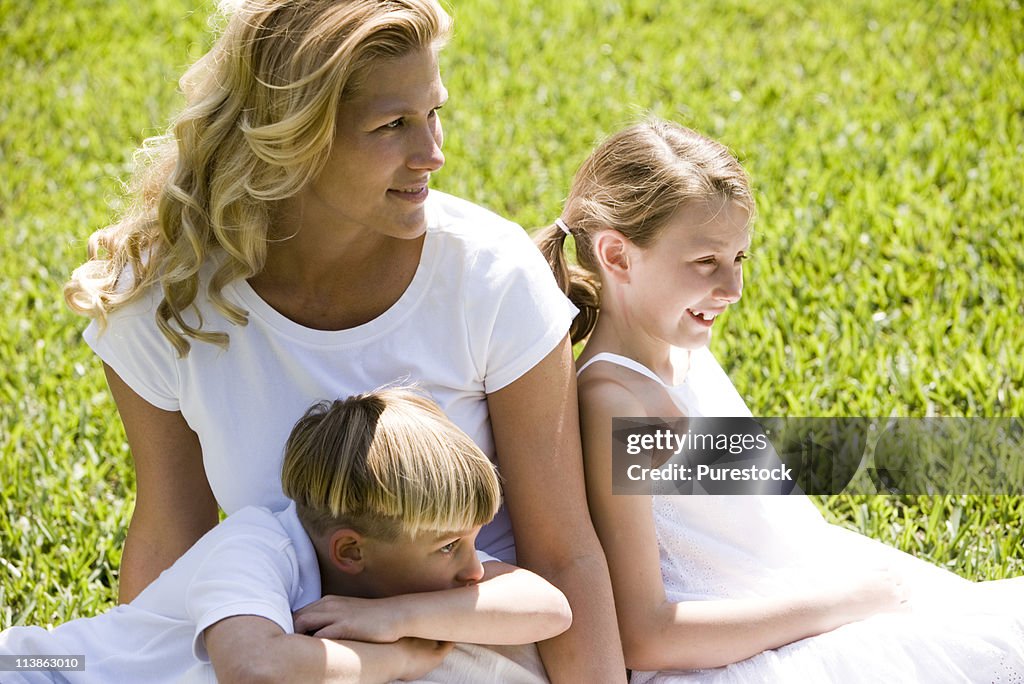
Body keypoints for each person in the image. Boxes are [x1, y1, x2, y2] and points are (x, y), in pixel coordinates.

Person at [63, 0, 622, 680]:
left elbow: (566, 556)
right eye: (393, 125)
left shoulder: (488, 276)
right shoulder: (164, 299)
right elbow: (169, 539)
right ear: (292, 135)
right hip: (294, 652)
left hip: (472, 648)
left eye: (434, 113)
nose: (434, 154)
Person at [536, 118, 1024, 682]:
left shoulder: (681, 355)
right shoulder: (614, 403)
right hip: (732, 654)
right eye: (705, 262)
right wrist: (842, 606)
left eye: (738, 259)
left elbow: (754, 524)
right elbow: (645, 635)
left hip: (788, 597)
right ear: (618, 256)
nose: (733, 288)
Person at [0, 388, 573, 683]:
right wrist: (399, 661)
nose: (474, 569)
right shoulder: (255, 548)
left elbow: (548, 608)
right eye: (450, 547)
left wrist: (395, 619)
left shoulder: (391, 577)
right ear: (350, 550)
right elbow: (255, 671)